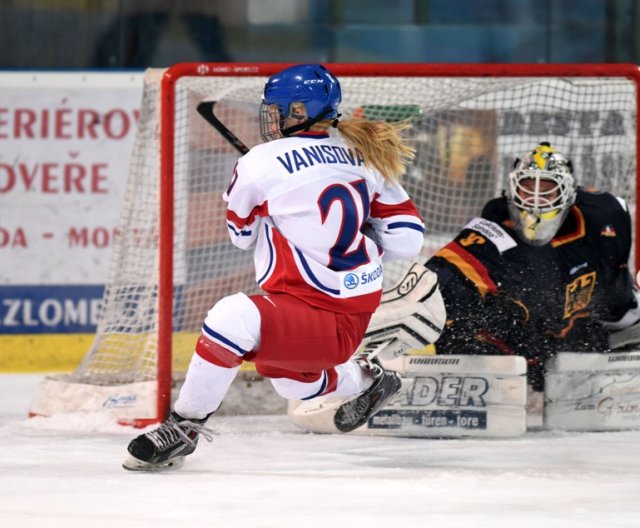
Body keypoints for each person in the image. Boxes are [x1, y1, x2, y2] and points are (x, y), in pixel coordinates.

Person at [123, 64, 426, 471]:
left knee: (232, 318)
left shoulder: (260, 162)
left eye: (278, 108)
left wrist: (271, 211)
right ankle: (369, 377)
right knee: (288, 379)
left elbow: (241, 237)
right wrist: (359, 236)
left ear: (301, 111)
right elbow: (409, 240)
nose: (271, 116)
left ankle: (184, 428)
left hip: (323, 312)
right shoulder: (362, 156)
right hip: (350, 308)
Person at [425, 142, 640, 391]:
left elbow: (617, 298)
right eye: (528, 190)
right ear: (513, 191)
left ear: (568, 193)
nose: (536, 199)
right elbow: (446, 276)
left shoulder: (602, 220)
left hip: (577, 344)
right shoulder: (494, 227)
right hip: (516, 351)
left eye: (547, 191)